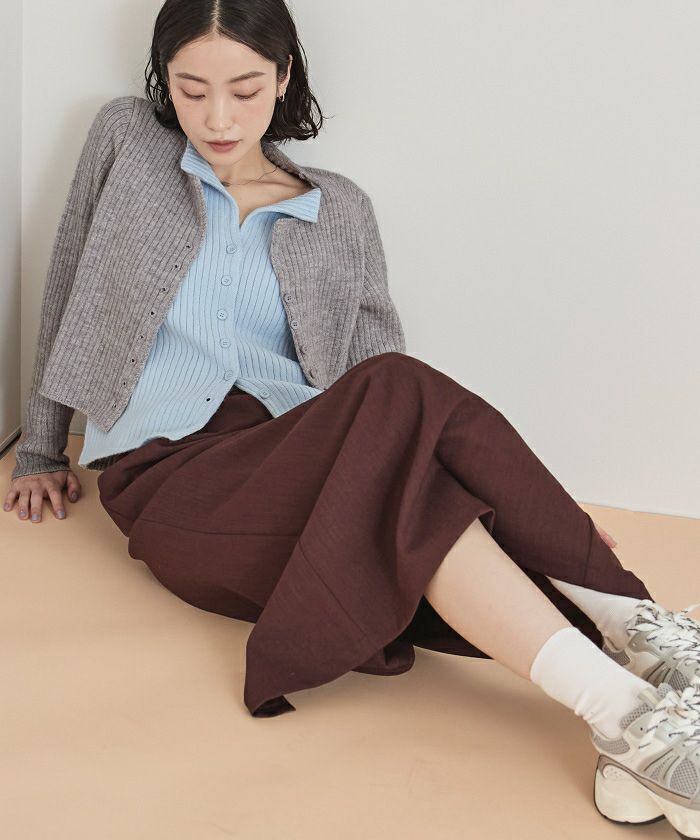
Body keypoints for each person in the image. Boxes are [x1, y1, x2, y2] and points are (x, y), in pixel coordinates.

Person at [5, 0, 700, 832]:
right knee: (401, 392)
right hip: (176, 479)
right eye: (191, 90)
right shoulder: (128, 140)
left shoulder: (340, 210)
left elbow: (391, 410)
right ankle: (642, 625)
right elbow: (67, 280)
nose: (217, 118)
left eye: (244, 90)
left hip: (303, 459)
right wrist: (40, 447)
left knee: (421, 492)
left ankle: (627, 725)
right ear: (164, 82)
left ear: (283, 79)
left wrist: (529, 520)